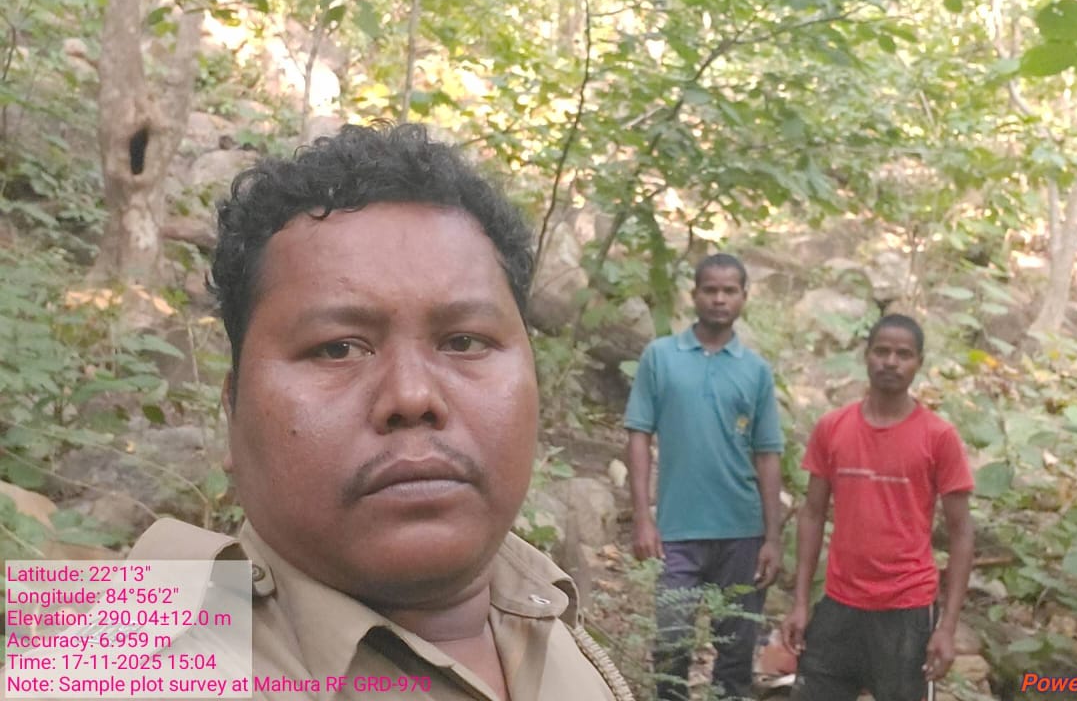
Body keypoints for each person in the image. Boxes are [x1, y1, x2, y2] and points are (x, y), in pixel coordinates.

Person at [126, 123, 633, 701]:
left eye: (464, 342)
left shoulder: (547, 615)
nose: (412, 397)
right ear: (232, 412)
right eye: (338, 349)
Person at [782, 313, 975, 701]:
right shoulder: (833, 427)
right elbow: (813, 513)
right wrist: (800, 603)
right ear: (866, 355)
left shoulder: (938, 436)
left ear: (919, 363)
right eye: (882, 351)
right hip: (839, 604)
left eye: (903, 354)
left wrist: (947, 627)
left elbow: (961, 531)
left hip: (907, 610)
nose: (891, 362)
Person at [622, 254, 785, 701]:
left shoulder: (755, 370)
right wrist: (643, 517)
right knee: (671, 645)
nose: (719, 299)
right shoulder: (661, 357)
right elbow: (639, 436)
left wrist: (772, 537)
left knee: (735, 653)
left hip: (742, 531)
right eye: (710, 289)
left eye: (729, 291)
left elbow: (768, 455)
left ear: (744, 297)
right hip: (677, 530)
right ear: (693, 295)